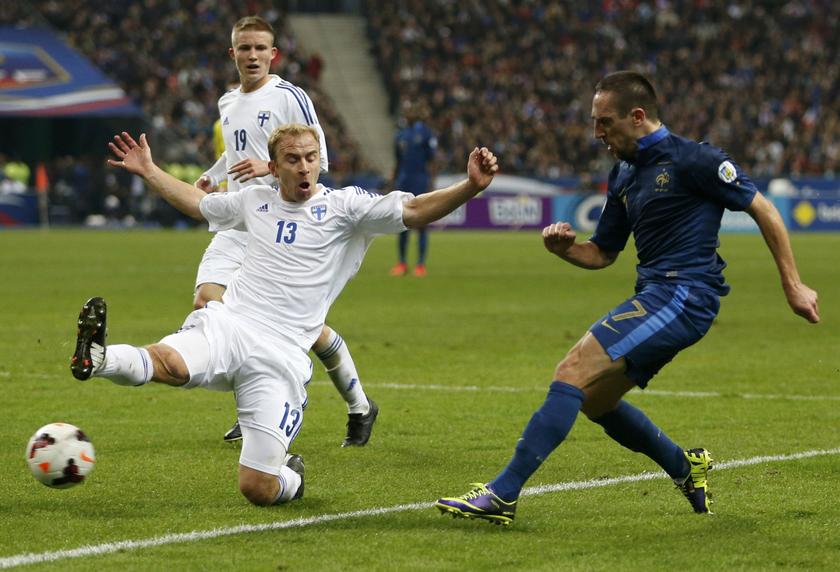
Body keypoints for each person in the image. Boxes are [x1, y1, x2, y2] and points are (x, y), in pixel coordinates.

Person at [435, 70, 819, 525]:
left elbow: (764, 208)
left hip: (684, 294)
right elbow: (603, 254)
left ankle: (502, 494)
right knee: (596, 401)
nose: (597, 133)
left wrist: (792, 284)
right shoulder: (623, 173)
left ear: (638, 116)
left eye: (605, 122)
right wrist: (565, 250)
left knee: (572, 371)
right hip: (657, 295)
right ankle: (685, 466)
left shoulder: (695, 159)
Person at [71, 124, 497, 506]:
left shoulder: (345, 208)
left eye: (310, 158)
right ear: (274, 168)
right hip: (231, 324)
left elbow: (416, 210)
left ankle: (291, 475)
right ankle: (97, 358)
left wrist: (470, 186)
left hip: (282, 355)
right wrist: (150, 170)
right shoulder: (254, 200)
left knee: (258, 488)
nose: (303, 167)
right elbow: (200, 204)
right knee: (171, 362)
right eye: (292, 160)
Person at [194, 16, 376, 447]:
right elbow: (237, 153)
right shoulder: (227, 101)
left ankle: (360, 405)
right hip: (241, 219)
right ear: (232, 53)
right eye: (244, 48)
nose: (252, 56)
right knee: (210, 302)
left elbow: (321, 160)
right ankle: (255, 406)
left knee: (303, 327)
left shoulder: (290, 96)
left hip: (284, 223)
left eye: (260, 48)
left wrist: (271, 169)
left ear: (273, 54)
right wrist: (213, 173)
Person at [389, 102, 437, 277]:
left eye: (411, 109)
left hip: (420, 181)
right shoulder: (400, 135)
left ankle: (420, 264)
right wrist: (393, 182)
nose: (407, 112)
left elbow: (432, 161)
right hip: (404, 182)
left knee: (422, 224)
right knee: (402, 223)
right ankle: (402, 263)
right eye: (406, 109)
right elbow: (398, 161)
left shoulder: (425, 133)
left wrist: (432, 182)